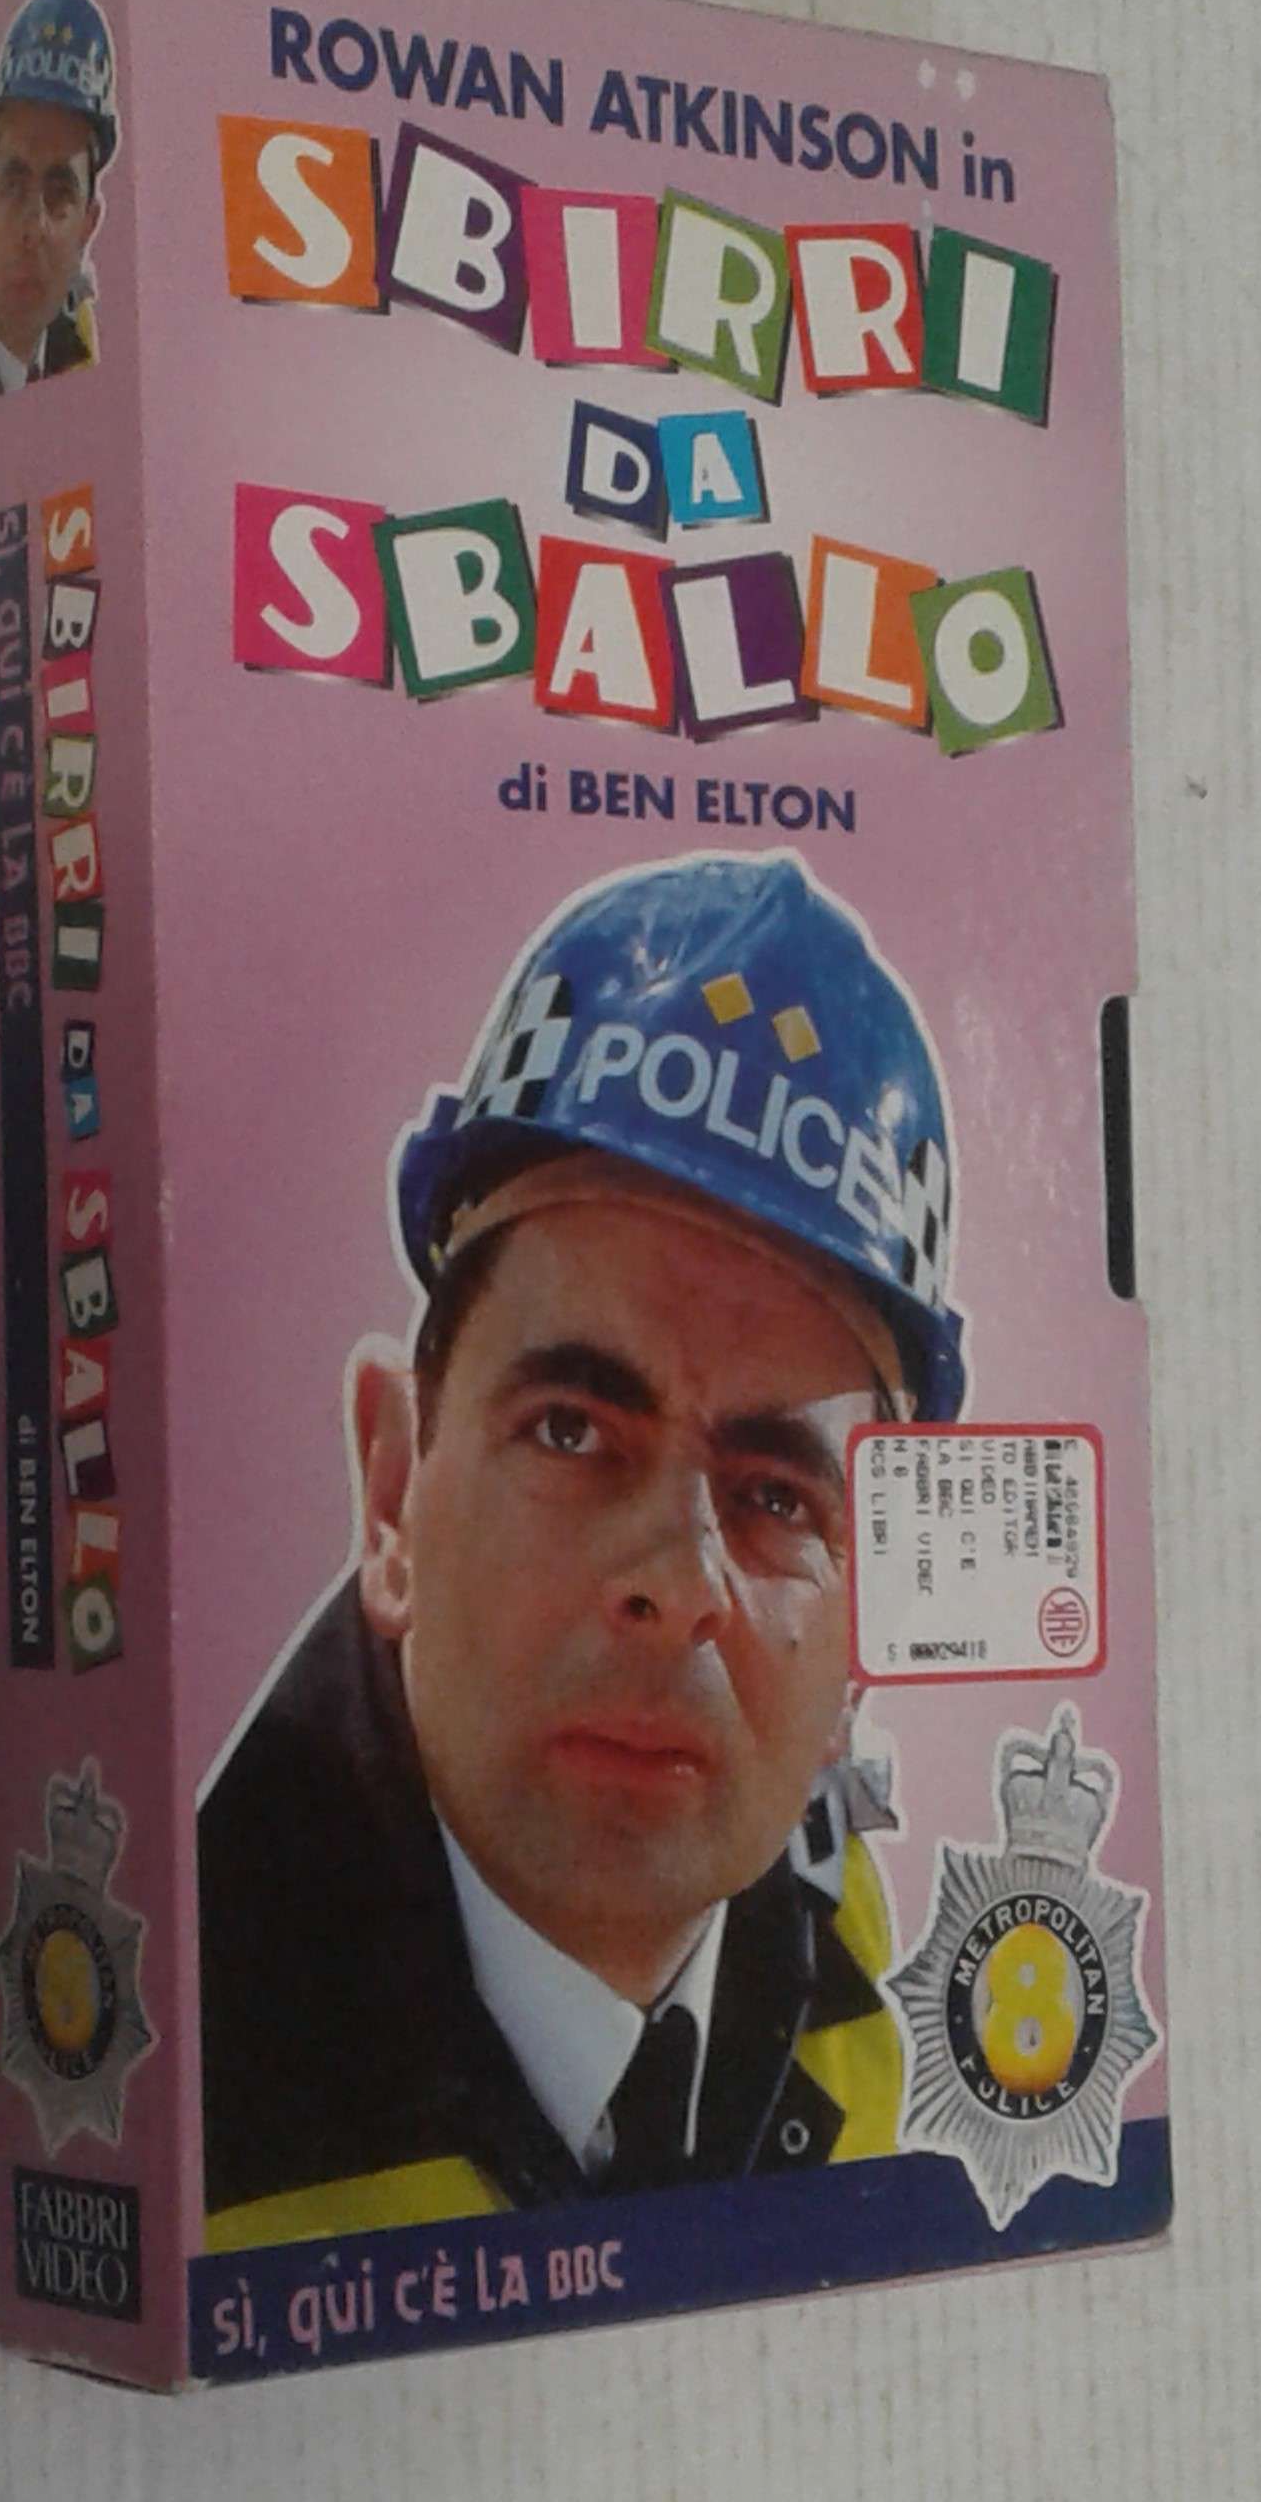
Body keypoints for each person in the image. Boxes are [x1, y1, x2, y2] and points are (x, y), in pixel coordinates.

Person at [199, 853, 969, 2250]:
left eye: (777, 1496)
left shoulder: (838, 1927)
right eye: (570, 1430)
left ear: (873, 1621)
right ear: (393, 1493)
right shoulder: (191, 2073)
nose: (673, 1581)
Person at [0, 0, 119, 409]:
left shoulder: (82, 369)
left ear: (89, 225)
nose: (33, 228)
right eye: (13, 187)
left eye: (59, 193)